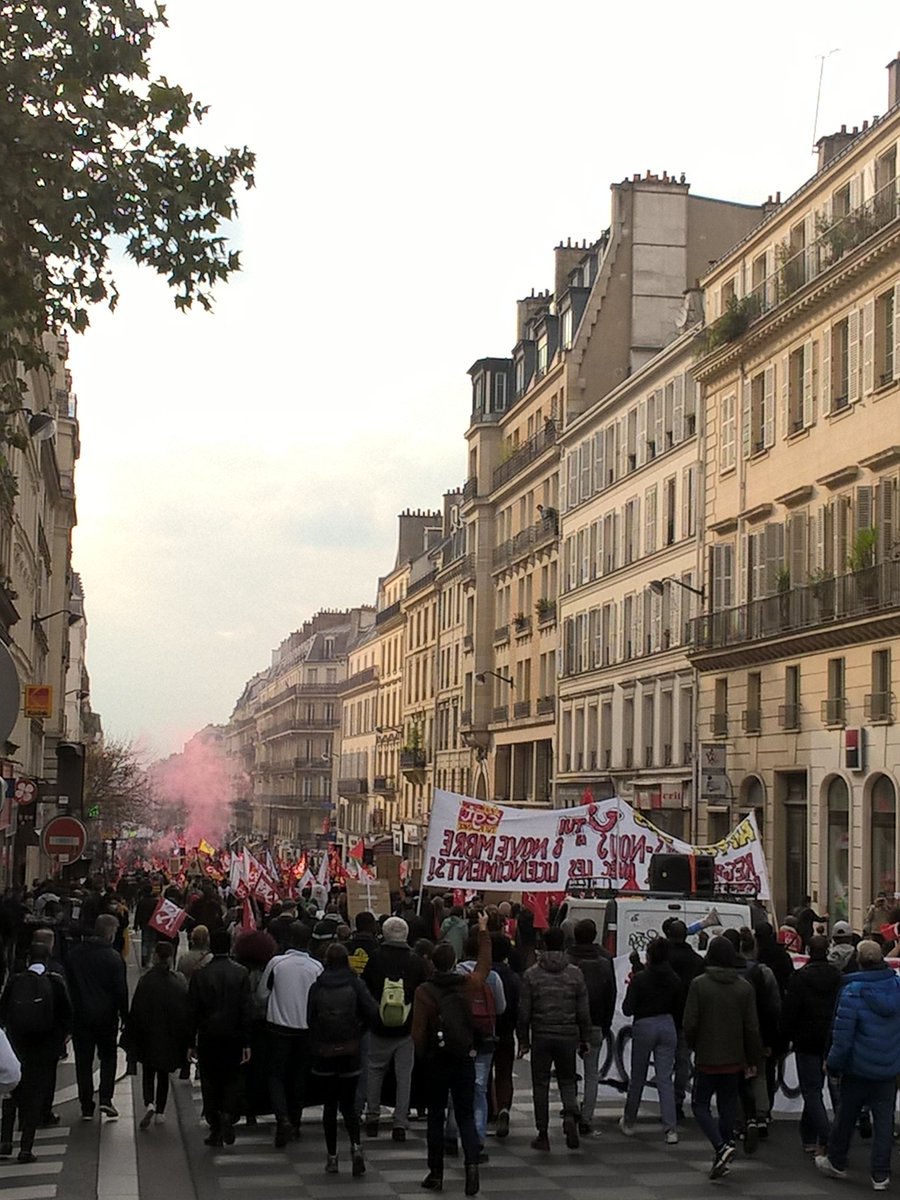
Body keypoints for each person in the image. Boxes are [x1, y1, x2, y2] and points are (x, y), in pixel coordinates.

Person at [412, 912, 490, 1196]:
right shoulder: (467, 984)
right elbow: (484, 966)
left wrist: (423, 1056)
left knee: (436, 1116)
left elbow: (418, 1033)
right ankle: (471, 1166)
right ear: (454, 961)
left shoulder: (425, 991)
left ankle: (436, 1172)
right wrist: (483, 932)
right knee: (466, 1115)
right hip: (463, 1057)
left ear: (432, 962)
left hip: (437, 1060)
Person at [816, 939, 900, 1190]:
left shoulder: (853, 990)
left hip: (858, 1067)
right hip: (888, 1067)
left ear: (859, 961)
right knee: (884, 1122)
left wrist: (833, 1064)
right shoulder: (896, 987)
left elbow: (842, 1036)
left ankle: (837, 1160)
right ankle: (880, 1175)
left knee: (845, 1116)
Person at [682, 935, 762, 1181]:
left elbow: (690, 1023)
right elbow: (751, 1027)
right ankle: (724, 1149)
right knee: (728, 1105)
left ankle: (720, 1146)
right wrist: (752, 1059)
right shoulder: (744, 987)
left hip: (707, 1055)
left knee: (700, 1105)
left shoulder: (699, 984)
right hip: (735, 1057)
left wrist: (694, 1044)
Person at [517, 925, 590, 1153]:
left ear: (544, 944)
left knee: (540, 1084)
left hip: (542, 1034)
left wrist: (523, 1039)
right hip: (568, 1034)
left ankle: (542, 1133)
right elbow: (583, 1010)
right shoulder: (575, 973)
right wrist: (584, 1037)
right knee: (568, 1079)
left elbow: (523, 1011)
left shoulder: (532, 974)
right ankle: (570, 1113)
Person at [307, 942, 378, 1175]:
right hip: (350, 1051)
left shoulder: (318, 986)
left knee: (329, 1105)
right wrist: (359, 1032)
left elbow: (310, 1018)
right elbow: (372, 1011)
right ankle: (356, 1147)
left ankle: (332, 1156)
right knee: (348, 1104)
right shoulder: (355, 984)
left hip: (325, 1053)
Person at [0, 943, 70, 1162]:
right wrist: (61, 1042)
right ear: (48, 959)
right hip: (44, 1048)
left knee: (11, 1094)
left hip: (17, 1046)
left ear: (29, 959)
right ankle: (26, 1148)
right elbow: (66, 1015)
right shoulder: (55, 982)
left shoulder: (15, 981)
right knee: (35, 1095)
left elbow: (3, 1011)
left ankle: (5, 1141)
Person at [361, 915, 428, 1141]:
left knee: (374, 1070)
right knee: (404, 1075)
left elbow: (366, 989)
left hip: (379, 1025)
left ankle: (372, 1116)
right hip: (407, 1027)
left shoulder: (376, 958)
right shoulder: (416, 961)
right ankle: (400, 1121)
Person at [258, 920, 322, 1146]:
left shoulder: (277, 963)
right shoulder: (316, 967)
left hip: (278, 1028)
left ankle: (282, 1117)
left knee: (275, 1075)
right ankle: (295, 1121)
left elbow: (263, 994)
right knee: (298, 1076)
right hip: (305, 1030)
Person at [188, 928, 253, 1147]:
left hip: (208, 1035)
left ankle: (215, 1124)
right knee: (232, 1078)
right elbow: (246, 1009)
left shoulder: (200, 974)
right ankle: (228, 1113)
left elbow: (193, 1010)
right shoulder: (241, 973)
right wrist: (246, 1041)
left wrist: (191, 1042)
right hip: (233, 1035)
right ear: (231, 947)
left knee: (210, 1081)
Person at [447, 926, 506, 1158]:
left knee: (456, 1087)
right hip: (484, 1038)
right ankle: (478, 1139)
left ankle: (451, 1134)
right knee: (479, 1090)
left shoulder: (455, 976)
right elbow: (501, 1007)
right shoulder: (492, 976)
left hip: (459, 1038)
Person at [781, 934, 841, 1155]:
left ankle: (825, 1135)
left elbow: (790, 1011)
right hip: (831, 1038)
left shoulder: (799, 978)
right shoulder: (838, 977)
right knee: (816, 1088)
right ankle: (808, 1135)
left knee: (811, 1090)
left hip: (806, 1040)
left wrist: (785, 1035)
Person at [122, 941, 190, 1129]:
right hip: (168, 1035)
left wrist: (131, 1033)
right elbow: (183, 1011)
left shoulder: (146, 980)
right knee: (163, 1074)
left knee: (148, 1071)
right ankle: (161, 1110)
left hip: (148, 1033)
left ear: (155, 956)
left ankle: (148, 1102)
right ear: (169, 957)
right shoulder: (177, 981)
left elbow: (137, 1008)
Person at [66, 913, 128, 1121]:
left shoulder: (75, 954)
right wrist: (125, 1017)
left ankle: (85, 1104)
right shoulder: (113, 958)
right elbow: (121, 991)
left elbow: (68, 985)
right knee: (108, 1057)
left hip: (80, 1015)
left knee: (83, 1061)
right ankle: (105, 1098)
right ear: (110, 933)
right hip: (106, 1017)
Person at [620, 937, 681, 1143]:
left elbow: (627, 1008)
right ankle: (670, 1129)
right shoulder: (674, 978)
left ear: (649, 956)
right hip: (668, 1023)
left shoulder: (640, 979)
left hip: (644, 1024)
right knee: (664, 1078)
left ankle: (629, 1121)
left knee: (638, 1076)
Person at [566, 919, 615, 1136]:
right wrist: (606, 1023)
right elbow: (611, 994)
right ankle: (586, 1117)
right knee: (591, 1072)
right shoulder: (605, 960)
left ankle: (570, 1109)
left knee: (568, 1070)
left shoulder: (567, 960)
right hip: (596, 1021)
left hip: (569, 1022)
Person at [663, 919, 704, 1121]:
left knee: (663, 1063)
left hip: (663, 1014)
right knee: (682, 1062)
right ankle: (677, 1102)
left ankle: (666, 1104)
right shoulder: (696, 960)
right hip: (686, 1017)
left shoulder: (662, 957)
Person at [489, 934, 521, 1139]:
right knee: (504, 1073)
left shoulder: (484, 974)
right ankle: (504, 1108)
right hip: (507, 1032)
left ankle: (489, 1109)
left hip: (485, 1031)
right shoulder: (513, 977)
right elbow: (519, 1007)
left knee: (483, 1073)